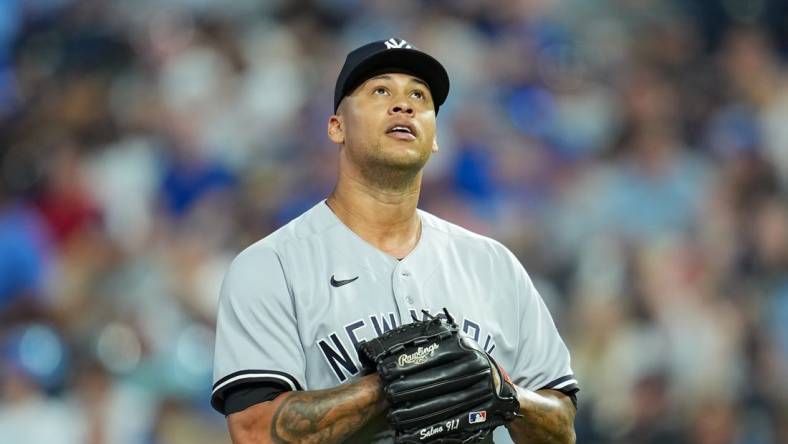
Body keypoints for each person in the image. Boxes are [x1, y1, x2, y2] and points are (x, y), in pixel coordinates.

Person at [211, 38, 579, 443]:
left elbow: (562, 426)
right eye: (380, 90)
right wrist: (386, 385)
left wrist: (504, 394)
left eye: (419, 96)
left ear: (435, 137)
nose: (403, 105)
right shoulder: (271, 265)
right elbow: (254, 432)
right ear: (337, 127)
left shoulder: (494, 264)